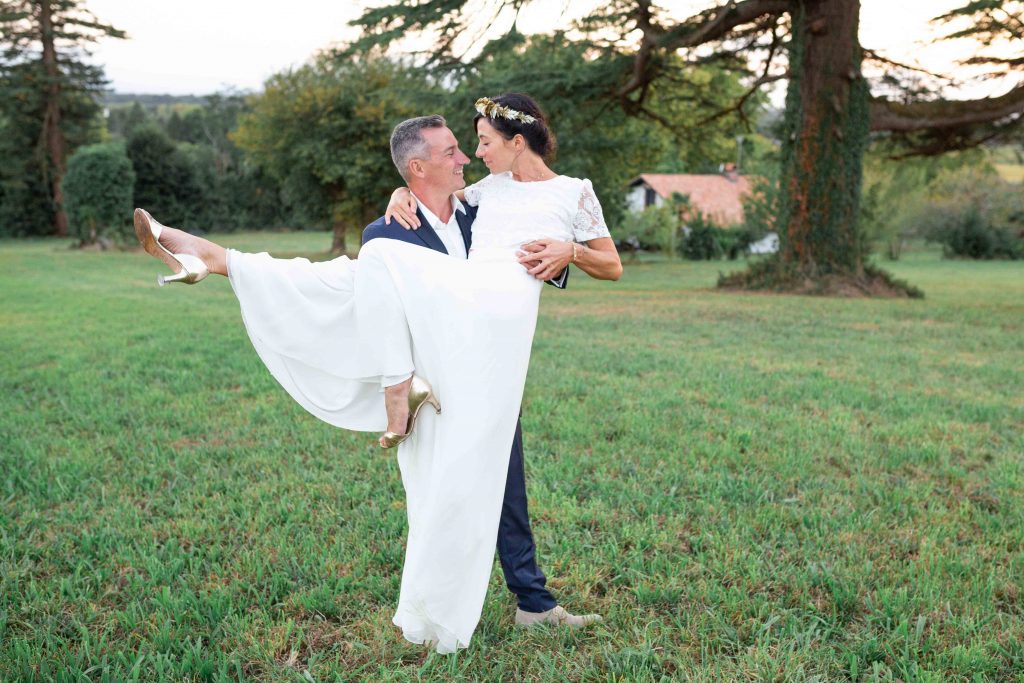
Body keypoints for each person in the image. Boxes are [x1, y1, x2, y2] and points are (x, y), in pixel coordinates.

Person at [132, 93, 622, 653]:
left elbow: (609, 262)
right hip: (447, 344)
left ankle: (533, 603)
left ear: (518, 141)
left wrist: (570, 251)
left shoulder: (557, 193)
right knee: (362, 269)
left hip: (493, 335)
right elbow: (429, 189)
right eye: (462, 148)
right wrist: (400, 190)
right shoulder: (479, 194)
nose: (471, 155)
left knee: (505, 474)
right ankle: (220, 262)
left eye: (481, 142)